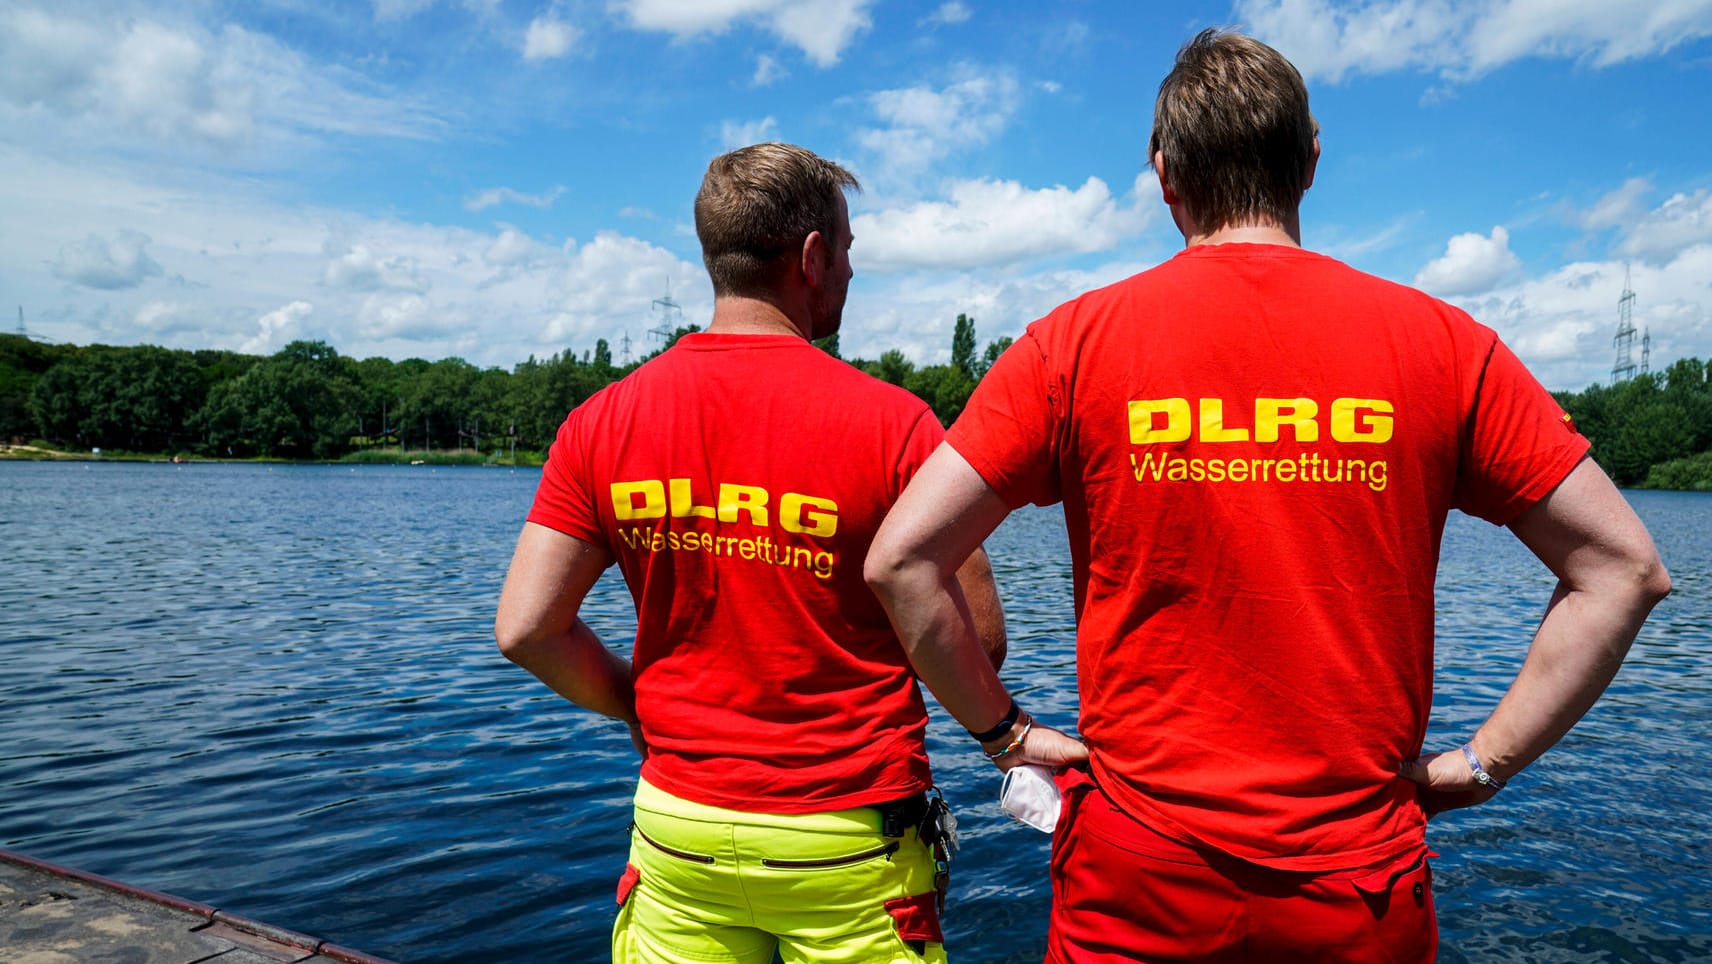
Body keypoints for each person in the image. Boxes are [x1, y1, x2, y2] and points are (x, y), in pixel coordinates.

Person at [865, 28, 1671, 963]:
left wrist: (1003, 732)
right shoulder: (1445, 345)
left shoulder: (1073, 345)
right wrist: (1481, 764)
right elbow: (1625, 569)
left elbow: (901, 558)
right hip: (1357, 883)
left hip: (1138, 875)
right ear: (1311, 163)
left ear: (1164, 175)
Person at [494, 142, 1005, 964]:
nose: (848, 273)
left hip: (677, 831)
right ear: (811, 258)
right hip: (845, 841)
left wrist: (639, 707)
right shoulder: (895, 426)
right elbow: (978, 641)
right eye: (847, 251)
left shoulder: (602, 421)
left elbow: (526, 628)